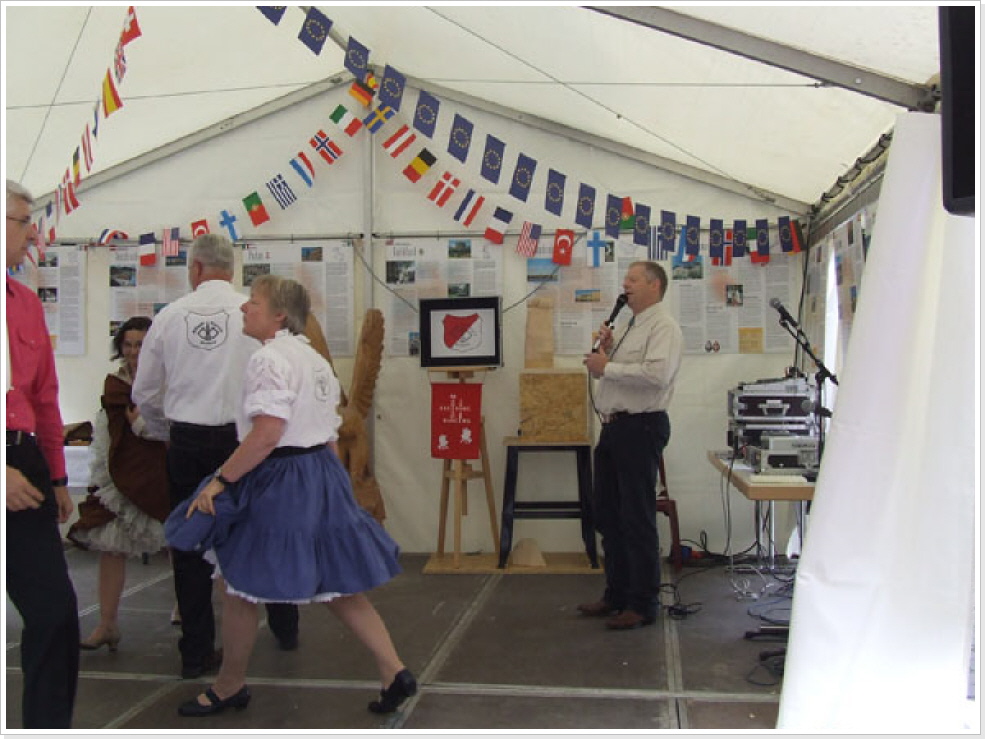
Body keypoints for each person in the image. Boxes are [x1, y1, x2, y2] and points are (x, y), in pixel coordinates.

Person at [165, 275, 415, 717]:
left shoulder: (269, 359)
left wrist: (219, 481)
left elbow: (266, 435)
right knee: (338, 583)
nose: (244, 308)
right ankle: (393, 670)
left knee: (237, 584)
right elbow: (330, 433)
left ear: (279, 314)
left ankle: (229, 686)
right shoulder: (313, 358)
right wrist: (332, 486)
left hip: (282, 476)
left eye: (254, 303)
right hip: (320, 469)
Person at [131, 233, 300, 680]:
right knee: (261, 534)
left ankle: (195, 653)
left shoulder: (169, 318)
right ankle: (285, 624)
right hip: (245, 443)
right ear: (233, 267)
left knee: (188, 546)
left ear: (196, 269)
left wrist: (169, 430)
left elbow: (144, 392)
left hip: (188, 442)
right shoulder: (255, 313)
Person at [5, 179, 80, 727]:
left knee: (55, 612)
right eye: (22, 221)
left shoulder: (25, 303)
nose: (33, 233)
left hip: (24, 461)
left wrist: (57, 478)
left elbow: (45, 399)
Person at [580, 261, 683, 630]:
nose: (625, 285)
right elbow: (612, 371)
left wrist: (607, 366)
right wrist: (606, 351)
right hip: (615, 428)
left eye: (633, 280)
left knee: (636, 518)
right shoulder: (628, 325)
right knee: (608, 514)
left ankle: (642, 603)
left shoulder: (664, 327)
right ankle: (616, 594)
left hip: (641, 427)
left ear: (654, 286)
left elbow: (657, 375)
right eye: (625, 280)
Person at [67, 316, 170, 650]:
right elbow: (107, 425)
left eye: (140, 344)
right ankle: (107, 623)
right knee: (111, 546)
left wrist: (143, 425)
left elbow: (173, 428)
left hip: (158, 469)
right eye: (128, 344)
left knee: (179, 545)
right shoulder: (115, 382)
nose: (134, 351)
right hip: (120, 470)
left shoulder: (167, 378)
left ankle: (185, 612)